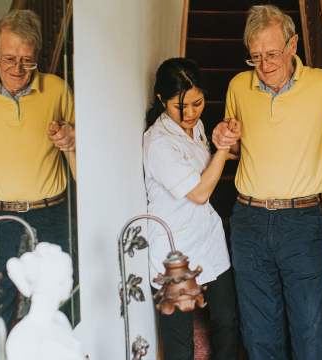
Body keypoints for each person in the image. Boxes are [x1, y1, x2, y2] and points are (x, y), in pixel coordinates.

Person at [211, 5, 322, 360]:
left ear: (293, 44)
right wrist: (226, 137)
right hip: (248, 220)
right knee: (258, 334)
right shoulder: (238, 86)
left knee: (311, 332)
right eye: (255, 57)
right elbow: (238, 146)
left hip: (301, 222)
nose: (264, 64)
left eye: (272, 54)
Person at [0, 10, 77, 329]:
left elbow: (82, 160)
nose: (18, 68)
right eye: (8, 57)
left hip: (51, 213)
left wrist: (72, 140)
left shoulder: (57, 89)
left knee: (59, 304)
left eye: (27, 60)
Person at [142, 58, 240, 360]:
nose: (189, 113)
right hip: (174, 251)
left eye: (197, 104)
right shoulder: (158, 143)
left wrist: (228, 138)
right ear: (161, 100)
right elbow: (199, 192)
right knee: (179, 340)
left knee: (228, 320)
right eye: (178, 106)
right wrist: (223, 148)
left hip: (208, 238)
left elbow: (210, 163)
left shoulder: (195, 126)